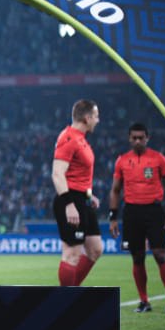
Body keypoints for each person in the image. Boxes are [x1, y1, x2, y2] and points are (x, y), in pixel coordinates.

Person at [108, 123, 165, 313]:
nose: (138, 141)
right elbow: (115, 190)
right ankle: (144, 301)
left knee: (160, 255)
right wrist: (113, 217)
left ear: (147, 138)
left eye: (141, 137)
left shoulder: (158, 159)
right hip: (131, 213)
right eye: (134, 137)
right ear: (129, 139)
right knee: (137, 258)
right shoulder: (122, 161)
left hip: (154, 212)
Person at [52, 99, 102, 286]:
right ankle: (66, 300)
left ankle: (72, 293)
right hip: (70, 201)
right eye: (96, 116)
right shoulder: (69, 138)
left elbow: (78, 177)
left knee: (95, 249)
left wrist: (89, 195)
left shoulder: (82, 140)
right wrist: (69, 205)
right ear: (87, 118)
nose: (98, 120)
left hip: (82, 199)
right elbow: (57, 174)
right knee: (72, 253)